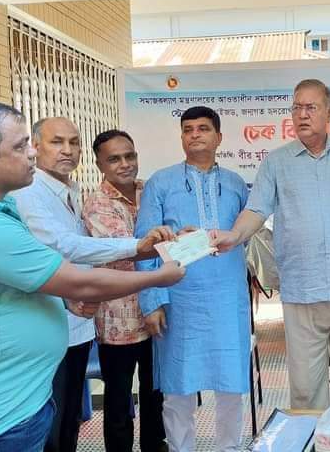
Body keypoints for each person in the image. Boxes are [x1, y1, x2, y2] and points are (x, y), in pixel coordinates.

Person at [0, 102, 184, 451]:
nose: (31, 154)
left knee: (67, 428)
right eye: (21, 146)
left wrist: (64, 298)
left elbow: (22, 275)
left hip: (19, 401)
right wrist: (157, 276)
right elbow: (76, 273)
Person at [211, 79, 330, 411]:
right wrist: (234, 236)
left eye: (310, 107)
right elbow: (256, 209)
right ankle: (312, 437)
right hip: (302, 291)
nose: (301, 115)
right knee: (306, 390)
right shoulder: (276, 162)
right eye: (296, 108)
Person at [11, 117, 169, 452]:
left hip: (83, 317)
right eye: (56, 142)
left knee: (70, 418)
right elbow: (67, 245)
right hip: (91, 318)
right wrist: (142, 246)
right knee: (65, 418)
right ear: (34, 147)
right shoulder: (31, 194)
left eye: (73, 142)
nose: (67, 150)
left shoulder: (71, 190)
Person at [136, 106, 250, 452]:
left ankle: (229, 448)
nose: (195, 134)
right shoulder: (160, 183)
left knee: (231, 382)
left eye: (203, 128)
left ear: (219, 137)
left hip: (227, 298)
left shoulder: (236, 184)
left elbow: (244, 236)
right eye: (188, 129)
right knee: (178, 385)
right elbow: (144, 244)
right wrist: (153, 302)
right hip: (179, 299)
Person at [82, 130, 166, 452]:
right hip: (118, 319)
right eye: (114, 159)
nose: (125, 164)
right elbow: (124, 251)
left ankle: (154, 445)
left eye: (129, 155)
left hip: (156, 308)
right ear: (100, 164)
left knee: (155, 391)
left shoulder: (150, 191)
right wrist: (170, 243)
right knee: (118, 399)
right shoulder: (97, 204)